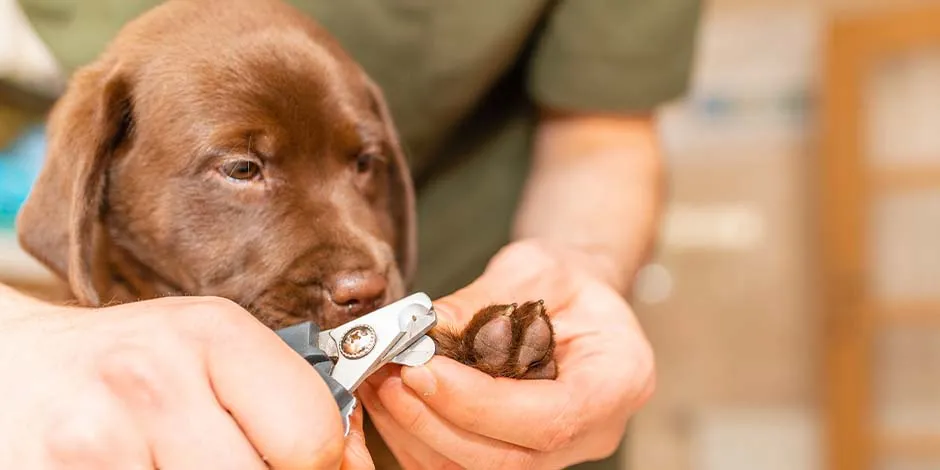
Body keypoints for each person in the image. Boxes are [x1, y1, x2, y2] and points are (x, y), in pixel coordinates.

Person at [10, 0, 702, 468]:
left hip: (457, 411)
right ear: (93, 177)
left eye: (363, 164)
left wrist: (575, 267)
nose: (358, 270)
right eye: (244, 168)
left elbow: (601, 131)